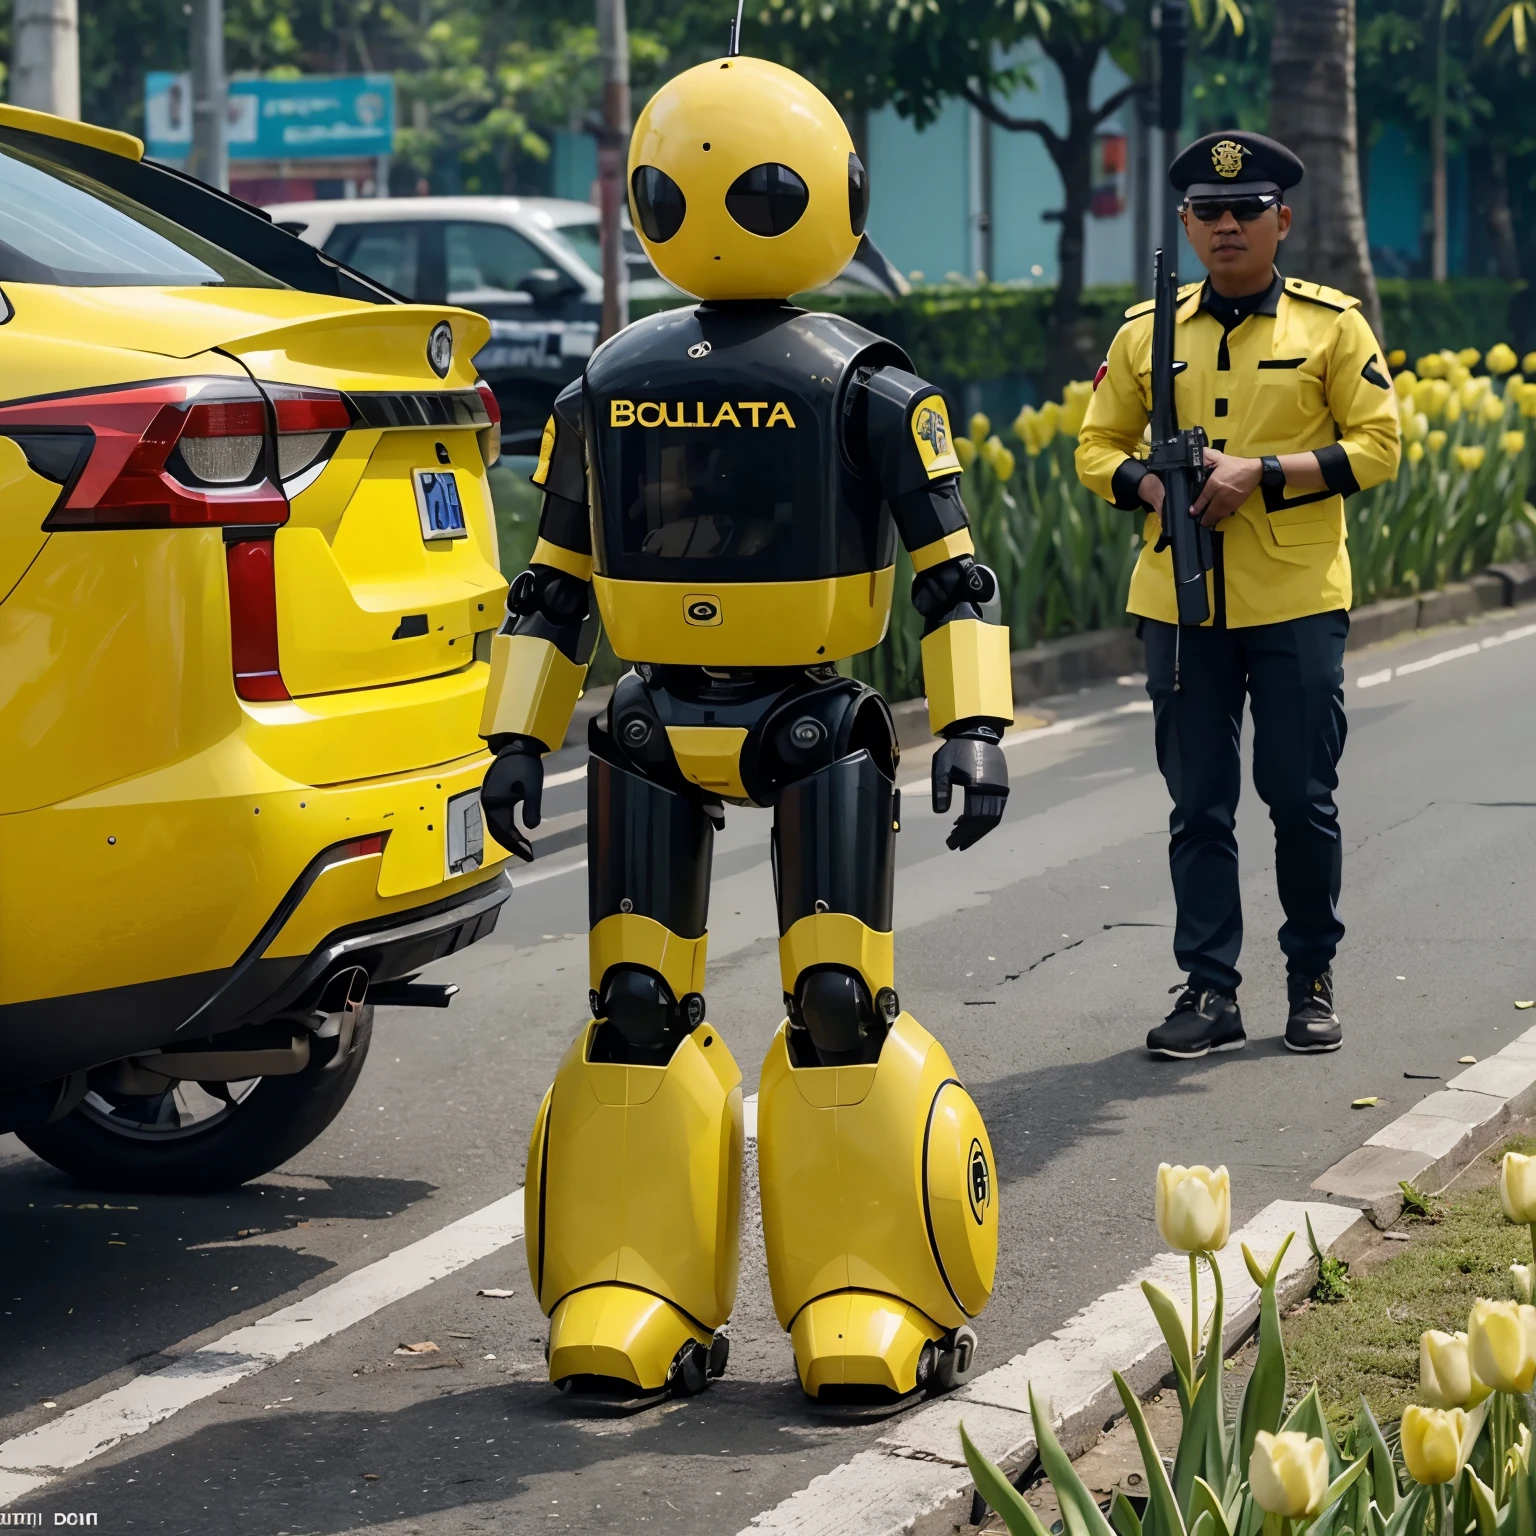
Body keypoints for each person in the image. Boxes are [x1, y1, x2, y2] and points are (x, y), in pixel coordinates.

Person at [476, 52, 1010, 1401]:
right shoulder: (608, 386)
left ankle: (873, 1288)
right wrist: (515, 736)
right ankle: (635, 1283)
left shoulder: (868, 387)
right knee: (632, 1008)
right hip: (651, 721)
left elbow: (956, 575)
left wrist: (976, 723)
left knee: (838, 1003)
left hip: (814, 718)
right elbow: (555, 587)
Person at [1076, 131, 1400, 1060]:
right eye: (1208, 213)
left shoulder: (1331, 325)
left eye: (1246, 210)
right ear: (1185, 224)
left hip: (1295, 596)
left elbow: (1379, 446)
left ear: (1281, 221)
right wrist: (1150, 484)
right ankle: (1210, 990)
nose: (1227, 226)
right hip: (1181, 604)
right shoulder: (1147, 333)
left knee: (1300, 798)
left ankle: (1311, 980)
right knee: (1199, 805)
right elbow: (1095, 447)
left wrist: (1264, 473)